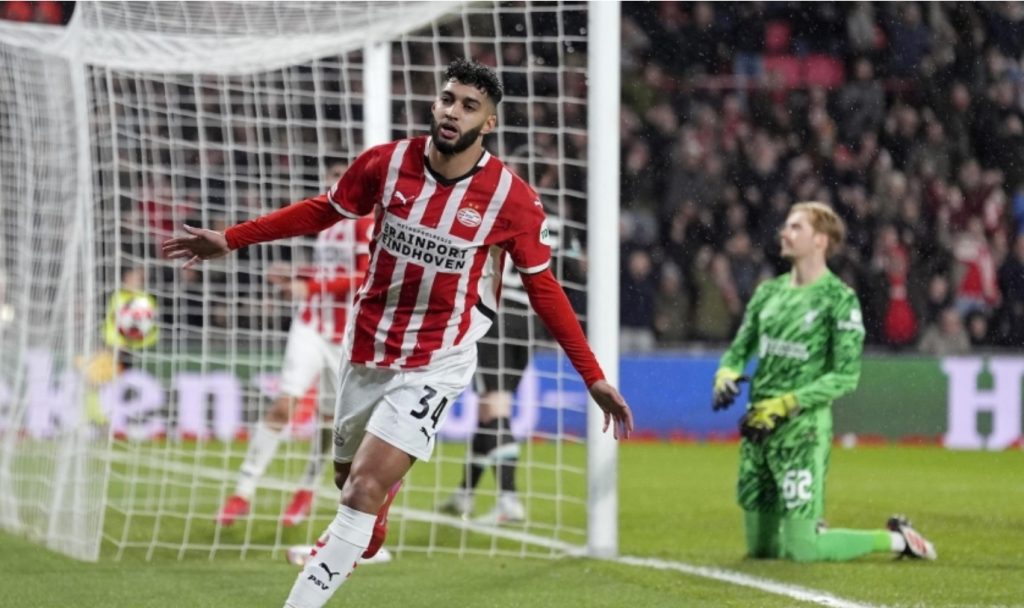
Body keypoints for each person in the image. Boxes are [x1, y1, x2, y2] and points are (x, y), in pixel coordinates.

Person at [163, 58, 632, 608]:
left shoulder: (512, 199)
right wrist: (233, 238)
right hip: (367, 348)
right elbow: (322, 211)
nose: (453, 112)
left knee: (362, 490)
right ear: (435, 103)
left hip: (438, 359)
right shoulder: (385, 164)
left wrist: (592, 377)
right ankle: (372, 522)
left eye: (469, 106)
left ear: (489, 123)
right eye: (448, 99)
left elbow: (544, 290)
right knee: (350, 482)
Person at [712, 201, 937, 563]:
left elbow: (846, 376)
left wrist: (786, 403)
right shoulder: (768, 293)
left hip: (802, 431)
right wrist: (725, 375)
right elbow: (737, 352)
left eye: (796, 227)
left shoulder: (839, 299)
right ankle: (809, 527)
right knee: (762, 550)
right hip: (758, 427)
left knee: (802, 551)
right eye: (786, 225)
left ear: (820, 240)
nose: (784, 233)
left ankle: (897, 540)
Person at [216, 160, 375, 528]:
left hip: (347, 337)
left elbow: (366, 276)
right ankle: (242, 491)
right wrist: (297, 275)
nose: (335, 182)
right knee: (283, 405)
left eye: (341, 176)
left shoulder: (364, 224)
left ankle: (307, 488)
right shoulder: (329, 223)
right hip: (311, 325)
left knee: (330, 423)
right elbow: (330, 272)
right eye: (331, 176)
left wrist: (311, 285)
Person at [437, 266, 532, 524]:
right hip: (528, 320)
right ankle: (464, 493)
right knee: (487, 414)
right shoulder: (554, 238)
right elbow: (575, 271)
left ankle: (509, 500)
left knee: (493, 408)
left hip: (494, 317)